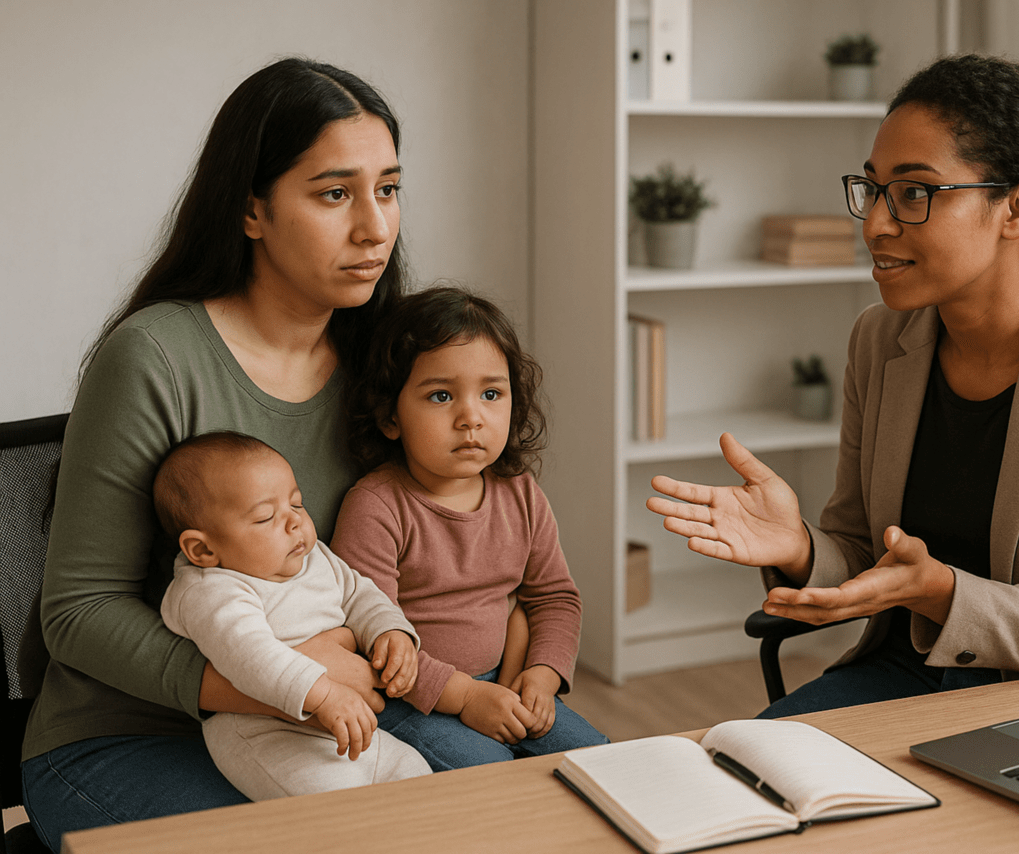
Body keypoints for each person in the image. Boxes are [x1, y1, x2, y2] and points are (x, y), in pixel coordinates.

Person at [647, 54, 1019, 718]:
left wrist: (941, 592)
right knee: (739, 765)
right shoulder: (881, 339)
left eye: (914, 193)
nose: (875, 224)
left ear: (1018, 208)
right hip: (905, 673)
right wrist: (800, 545)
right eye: (872, 189)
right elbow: (861, 550)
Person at [21, 57, 409, 847]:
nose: (374, 227)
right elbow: (78, 614)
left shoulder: (383, 360)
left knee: (516, 799)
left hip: (329, 709)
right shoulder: (154, 359)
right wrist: (290, 681)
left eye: (389, 189)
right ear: (251, 210)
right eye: (335, 194)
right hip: (126, 734)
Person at [331, 285, 609, 770]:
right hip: (410, 700)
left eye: (491, 394)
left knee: (601, 761)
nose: (471, 418)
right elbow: (370, 636)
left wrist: (542, 675)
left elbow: (555, 598)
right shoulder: (375, 508)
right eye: (441, 395)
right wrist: (465, 697)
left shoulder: (521, 494)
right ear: (390, 416)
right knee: (491, 776)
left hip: (503, 682)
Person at [155, 432, 432, 800]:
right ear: (203, 549)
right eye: (266, 517)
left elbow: (359, 594)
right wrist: (324, 694)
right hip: (267, 734)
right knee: (338, 807)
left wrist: (389, 631)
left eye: (297, 504)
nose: (294, 523)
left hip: (344, 720)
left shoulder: (312, 556)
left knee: (417, 776)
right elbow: (251, 657)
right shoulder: (211, 590)